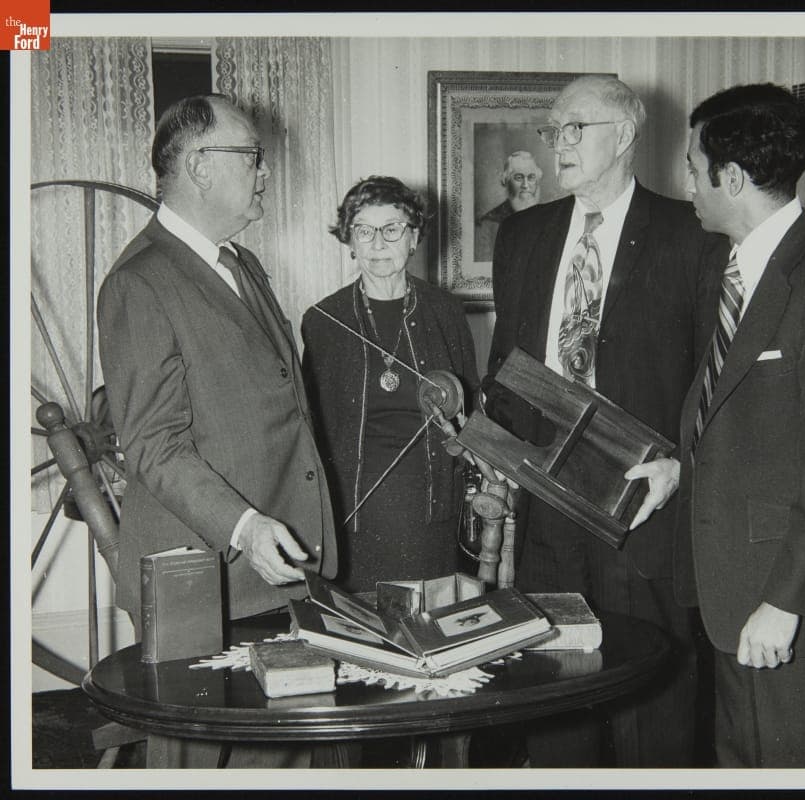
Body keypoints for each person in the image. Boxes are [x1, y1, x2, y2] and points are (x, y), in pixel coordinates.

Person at [633, 82, 805, 767]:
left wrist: (785, 602)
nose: (689, 185)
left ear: (731, 179)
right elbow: (743, 417)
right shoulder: (733, 269)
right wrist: (681, 467)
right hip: (733, 586)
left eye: (695, 170)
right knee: (742, 764)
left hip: (787, 600)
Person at [481, 74, 726, 767]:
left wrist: (681, 463)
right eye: (552, 130)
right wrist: (492, 449)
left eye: (573, 130)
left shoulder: (691, 234)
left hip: (643, 506)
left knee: (658, 703)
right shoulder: (522, 236)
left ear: (623, 136)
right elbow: (508, 364)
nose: (557, 144)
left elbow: (715, 380)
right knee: (555, 696)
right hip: (547, 502)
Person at [97, 94, 338, 767]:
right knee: (207, 768)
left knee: (281, 757)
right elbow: (151, 443)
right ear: (200, 167)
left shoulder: (240, 264)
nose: (265, 172)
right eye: (252, 158)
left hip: (274, 570)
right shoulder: (140, 281)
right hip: (204, 584)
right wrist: (244, 527)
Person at [301, 176, 479, 593]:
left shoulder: (446, 312)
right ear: (350, 241)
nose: (378, 244)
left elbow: (472, 412)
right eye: (364, 231)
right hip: (354, 509)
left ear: (413, 237)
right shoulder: (323, 321)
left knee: (430, 628)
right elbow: (310, 429)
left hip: (430, 505)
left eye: (392, 229)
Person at [474, 150, 544, 262]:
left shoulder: (549, 220)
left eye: (531, 177)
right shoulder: (487, 226)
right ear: (506, 181)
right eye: (519, 178)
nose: (526, 186)